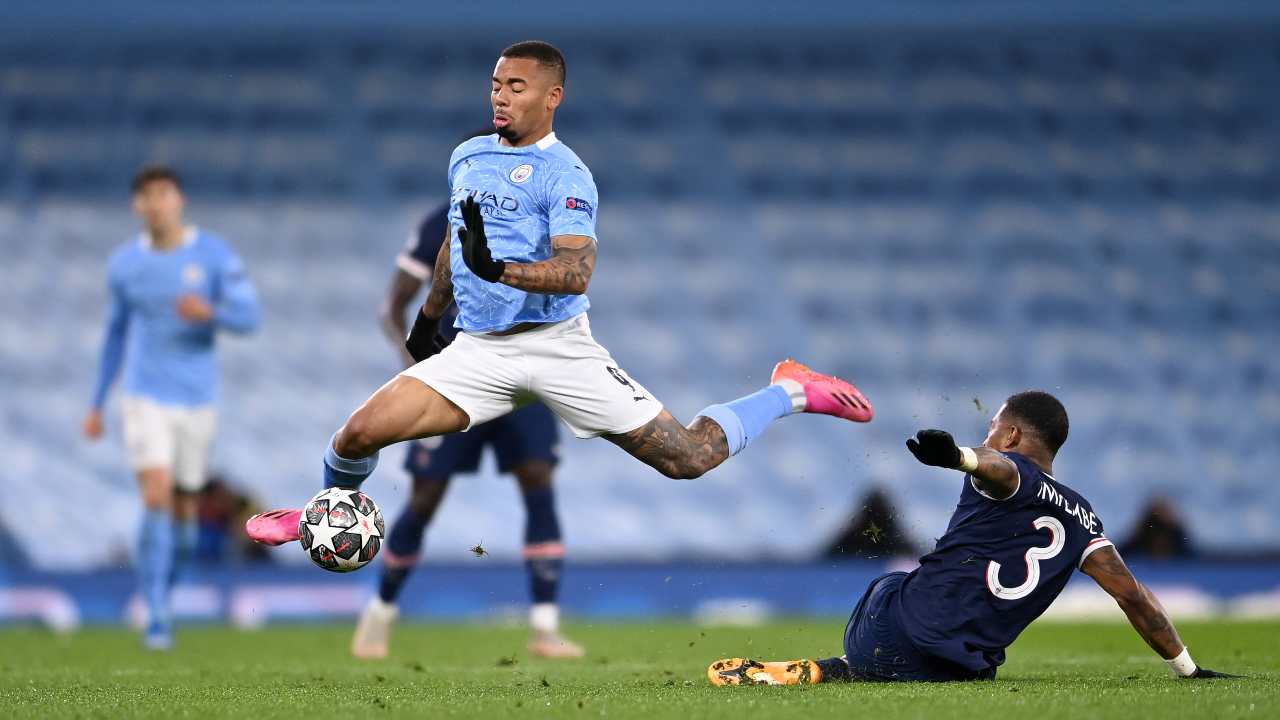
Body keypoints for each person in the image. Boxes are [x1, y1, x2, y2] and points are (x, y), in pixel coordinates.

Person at [246, 40, 870, 563]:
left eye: (517, 86)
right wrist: (429, 317)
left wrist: (503, 271)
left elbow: (576, 272)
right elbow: (455, 245)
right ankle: (324, 508)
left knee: (688, 458)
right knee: (356, 435)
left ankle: (790, 390)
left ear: (552, 98)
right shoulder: (468, 156)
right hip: (479, 353)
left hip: (556, 349)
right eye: (495, 83)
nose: (500, 95)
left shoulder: (567, 175)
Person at [709, 391, 1237, 684]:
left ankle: (845, 667)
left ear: (1011, 435)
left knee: (892, 579)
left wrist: (959, 456)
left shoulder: (1005, 468)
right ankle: (848, 671)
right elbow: (1133, 597)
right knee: (942, 641)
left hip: (893, 635)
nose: (990, 435)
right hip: (961, 671)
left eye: (994, 427)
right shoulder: (1083, 517)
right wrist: (1187, 669)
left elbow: (999, 470)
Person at [350, 200, 583, 660]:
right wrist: (416, 364)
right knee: (426, 495)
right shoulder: (443, 219)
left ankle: (545, 628)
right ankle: (380, 614)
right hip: (463, 372)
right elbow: (393, 306)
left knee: (538, 480)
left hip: (529, 371)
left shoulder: (547, 214)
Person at [84, 166, 261, 649]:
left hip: (197, 400)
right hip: (143, 395)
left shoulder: (212, 254)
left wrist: (212, 313)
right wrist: (98, 401)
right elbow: (116, 333)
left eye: (163, 194)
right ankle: (157, 613)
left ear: (179, 199)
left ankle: (163, 592)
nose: (156, 203)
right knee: (156, 494)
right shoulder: (124, 265)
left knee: (184, 521)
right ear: (136, 206)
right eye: (146, 196)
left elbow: (251, 315)